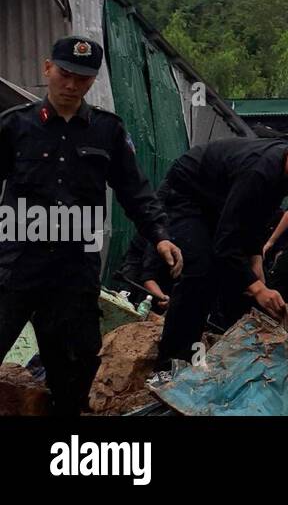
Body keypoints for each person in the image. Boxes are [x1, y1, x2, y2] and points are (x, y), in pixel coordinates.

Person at [0, 37, 182, 415]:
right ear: (47, 68)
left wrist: (160, 236)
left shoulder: (107, 132)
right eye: (65, 74)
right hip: (16, 262)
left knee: (74, 370)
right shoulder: (15, 126)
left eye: (82, 79)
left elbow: (136, 191)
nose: (71, 85)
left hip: (72, 270)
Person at [156, 129, 288, 365]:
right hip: (187, 194)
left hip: (218, 202)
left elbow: (254, 217)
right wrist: (258, 289)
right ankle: (169, 364)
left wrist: (255, 259)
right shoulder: (260, 171)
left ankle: (225, 355)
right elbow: (225, 243)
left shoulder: (282, 171)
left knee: (236, 276)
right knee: (200, 271)